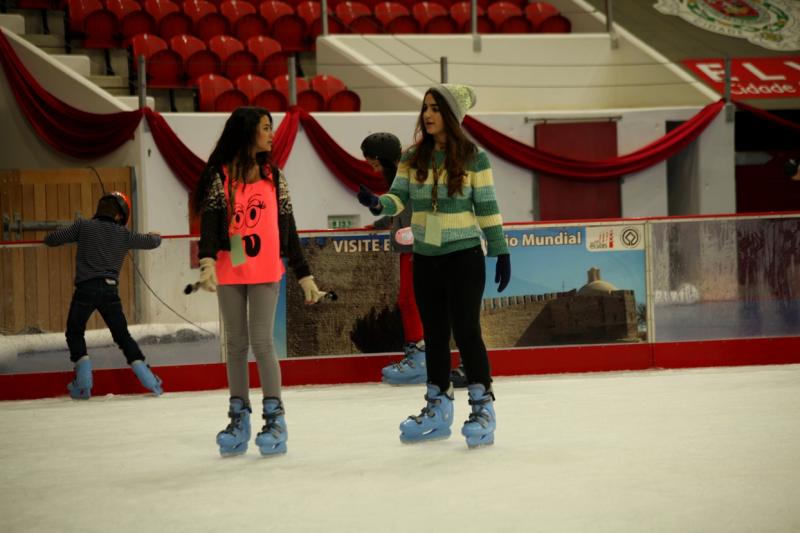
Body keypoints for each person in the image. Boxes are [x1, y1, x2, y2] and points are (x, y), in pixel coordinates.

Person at [357, 84, 511, 448]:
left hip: (464, 256)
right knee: (436, 335)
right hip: (426, 258)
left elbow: (487, 208)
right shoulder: (413, 158)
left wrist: (500, 249)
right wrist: (379, 203)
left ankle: (482, 406)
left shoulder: (474, 158)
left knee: (468, 331)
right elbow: (399, 198)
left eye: (436, 108)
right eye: (425, 107)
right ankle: (438, 406)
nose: (427, 115)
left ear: (452, 115)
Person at [193, 106, 328, 457]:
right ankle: (239, 417)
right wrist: (206, 260)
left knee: (262, 342)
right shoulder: (220, 176)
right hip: (230, 268)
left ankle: (274, 417)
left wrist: (305, 275)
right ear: (247, 131)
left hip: (266, 269)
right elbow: (209, 223)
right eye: (266, 128)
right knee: (236, 345)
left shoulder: (274, 175)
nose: (271, 135)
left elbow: (289, 229)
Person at [361, 132, 469, 388]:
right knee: (412, 301)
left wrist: (429, 244)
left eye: (375, 164)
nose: (375, 170)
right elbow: (399, 207)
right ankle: (420, 355)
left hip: (421, 245)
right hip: (410, 244)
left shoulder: (415, 170)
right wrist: (377, 215)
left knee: (416, 300)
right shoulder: (401, 174)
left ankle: (422, 358)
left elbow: (426, 206)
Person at [44, 191, 164, 400]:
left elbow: (52, 239)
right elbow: (152, 242)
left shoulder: (83, 226)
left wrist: (58, 235)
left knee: (75, 331)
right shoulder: (123, 234)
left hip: (85, 290)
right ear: (120, 215)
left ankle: (83, 382)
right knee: (122, 335)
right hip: (110, 290)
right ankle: (150, 380)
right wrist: (156, 235)